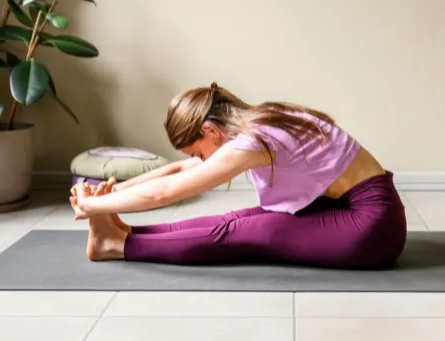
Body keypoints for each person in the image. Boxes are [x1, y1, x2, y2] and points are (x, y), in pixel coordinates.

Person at [70, 83, 407, 269]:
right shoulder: (258, 123)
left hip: (372, 226)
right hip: (353, 209)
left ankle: (116, 245)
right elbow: (176, 170)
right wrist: (110, 193)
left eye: (199, 151)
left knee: (239, 232)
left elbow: (167, 192)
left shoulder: (256, 139)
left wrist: (91, 208)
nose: (201, 160)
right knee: (237, 218)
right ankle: (125, 232)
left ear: (209, 130)